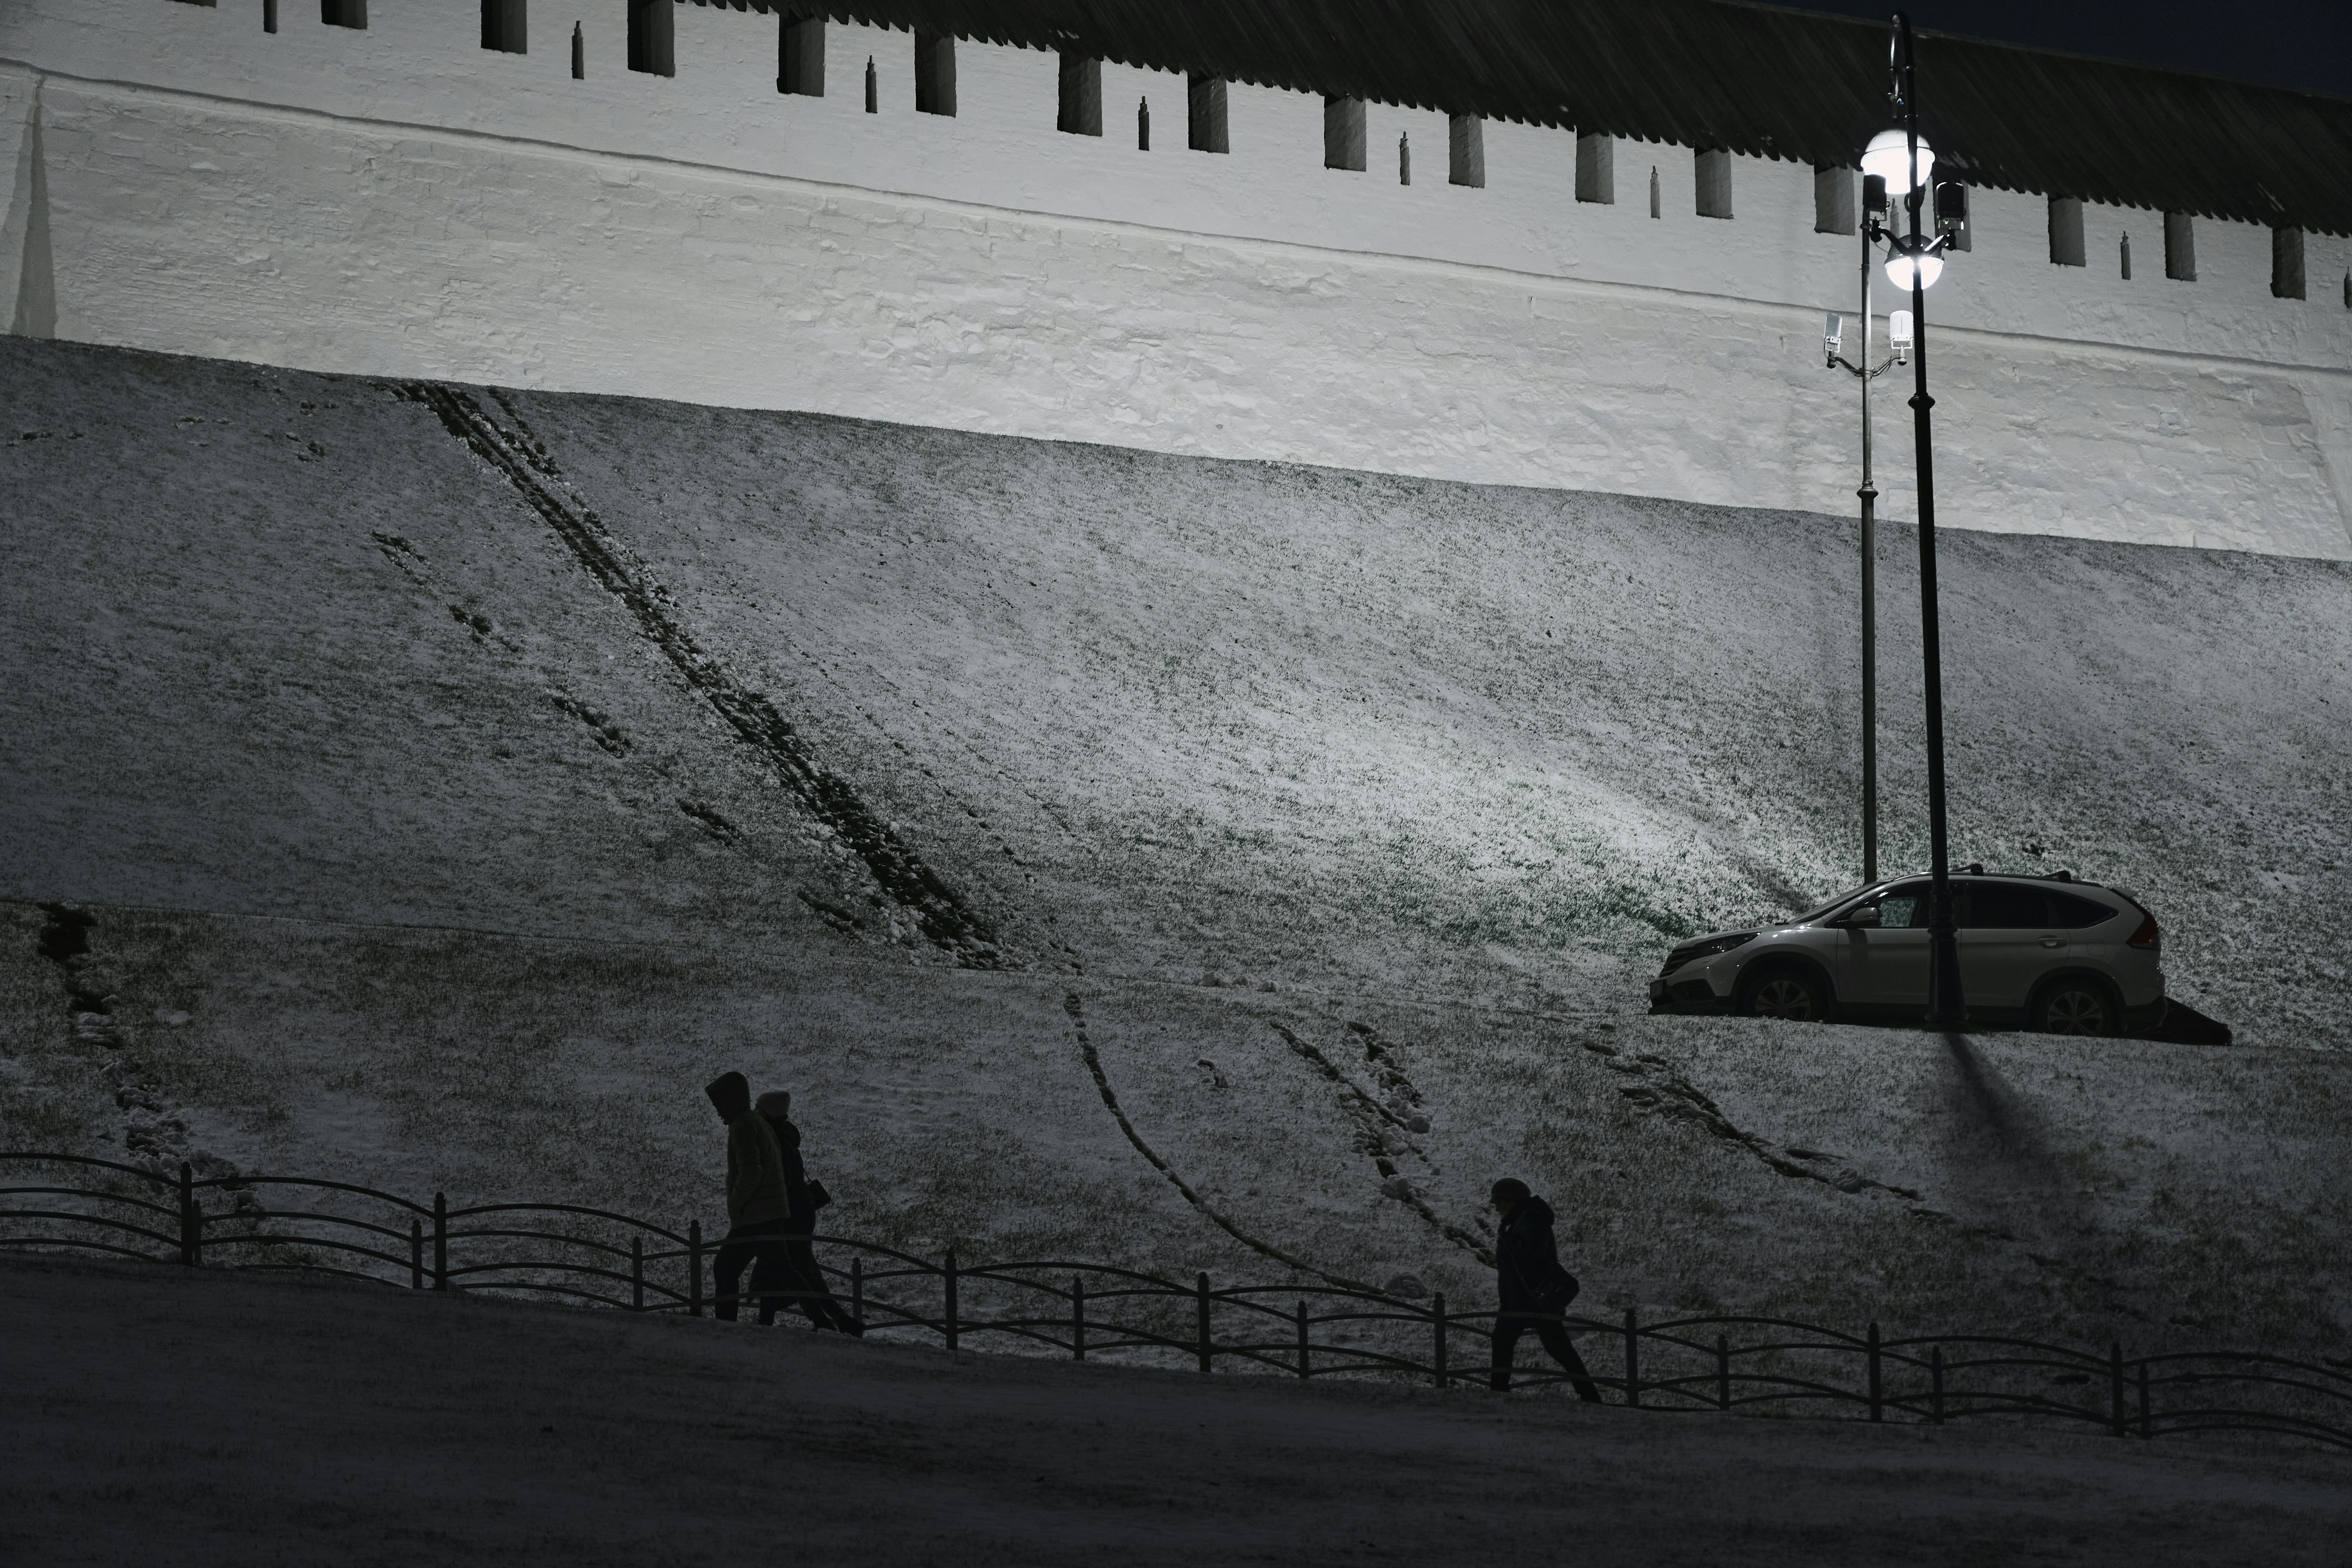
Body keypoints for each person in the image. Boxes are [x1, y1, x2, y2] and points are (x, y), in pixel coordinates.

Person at [756, 1089, 864, 1335]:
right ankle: (838, 1321)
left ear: (768, 1113)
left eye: (758, 1109)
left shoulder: (777, 1142)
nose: (755, 1113)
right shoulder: (783, 1139)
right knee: (794, 1272)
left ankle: (767, 1326)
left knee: (776, 1271)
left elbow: (780, 1184)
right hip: (797, 1215)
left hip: (788, 1217)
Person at [1488, 1177, 1604, 1401]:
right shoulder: (1521, 1219)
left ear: (1513, 1201)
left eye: (1500, 1203)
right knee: (1554, 1347)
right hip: (1527, 1300)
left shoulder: (1529, 1218)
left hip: (1529, 1300)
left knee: (1549, 1347)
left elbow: (1533, 1254)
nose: (1498, 1208)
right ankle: (1589, 1395)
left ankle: (1499, 1391)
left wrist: (1509, 1243)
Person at [704, 1071, 794, 1325]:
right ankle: (828, 1317)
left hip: (756, 1216)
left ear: (730, 1101)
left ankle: (726, 1326)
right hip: (766, 1213)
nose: (718, 1111)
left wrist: (735, 1202)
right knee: (785, 1272)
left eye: (719, 1104)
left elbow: (752, 1171)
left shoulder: (742, 1125)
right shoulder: (754, 1121)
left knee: (726, 1268)